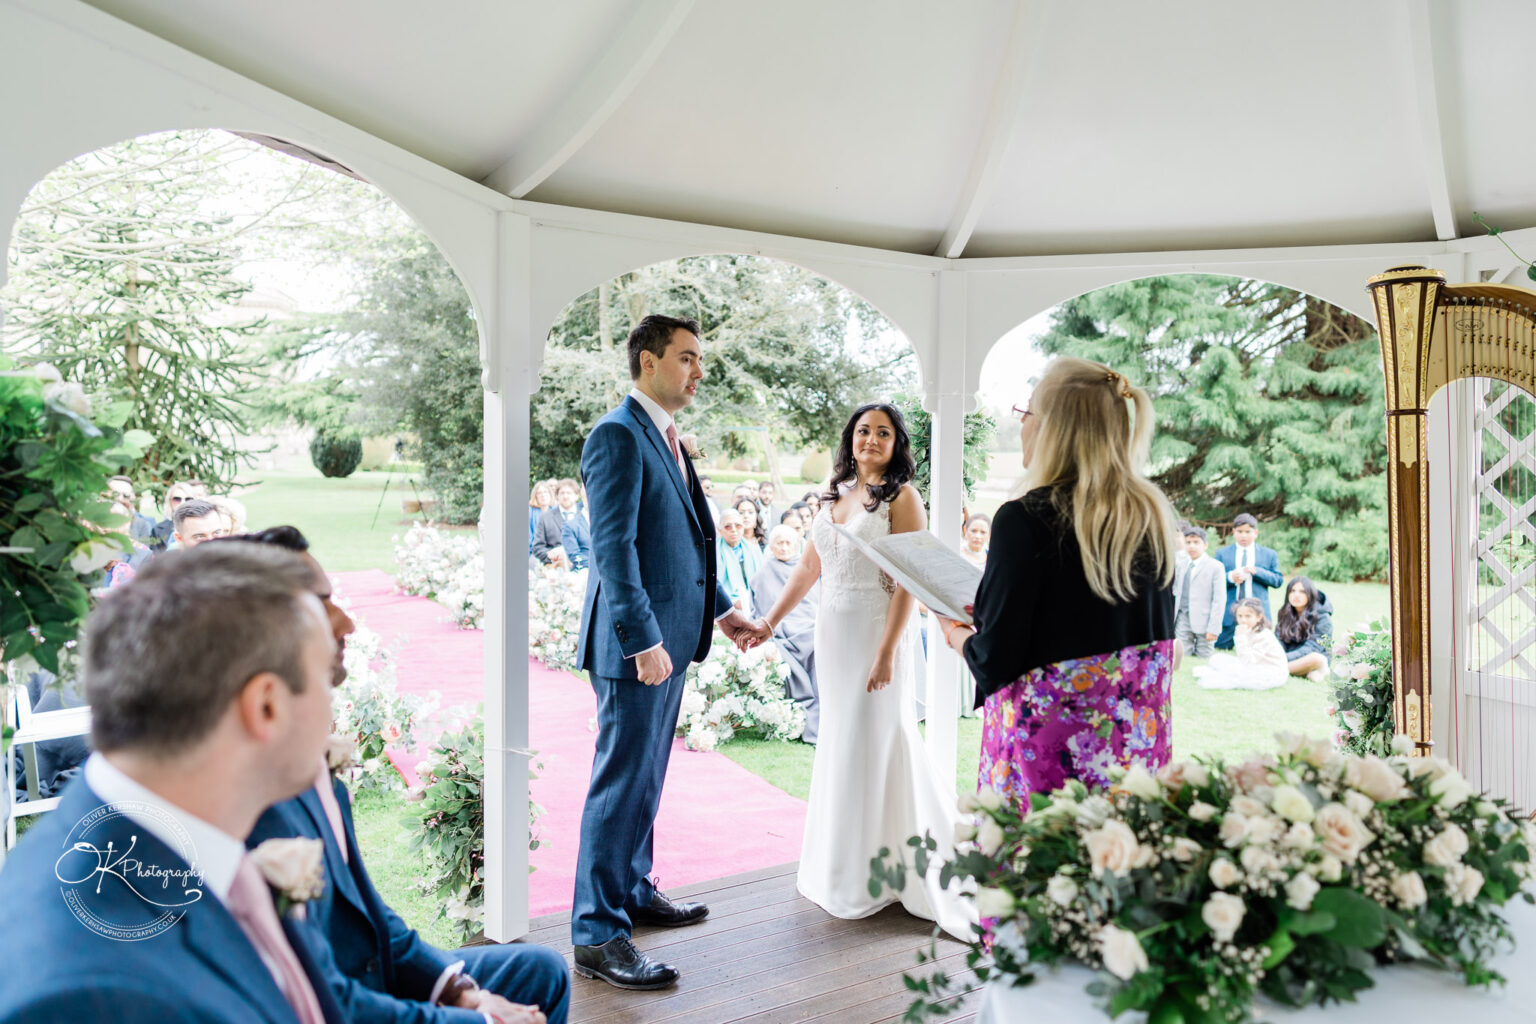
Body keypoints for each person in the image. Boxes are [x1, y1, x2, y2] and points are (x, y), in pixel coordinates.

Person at [0, 543, 347, 1022]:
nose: (332, 708)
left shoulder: (177, 836)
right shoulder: (91, 995)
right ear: (266, 706)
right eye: (325, 681)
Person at [244, 526, 568, 1024]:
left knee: (541, 970)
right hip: (343, 1003)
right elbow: (319, 996)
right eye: (319, 602)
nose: (347, 622)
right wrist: (477, 1019)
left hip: (377, 975)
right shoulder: (243, 798)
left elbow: (372, 918)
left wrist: (458, 990)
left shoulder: (314, 766)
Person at [570, 314, 759, 991]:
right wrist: (643, 640)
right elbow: (612, 550)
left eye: (699, 359)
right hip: (637, 648)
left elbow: (686, 546)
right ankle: (597, 933)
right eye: (687, 357)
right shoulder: (618, 436)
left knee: (647, 776)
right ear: (648, 361)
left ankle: (633, 890)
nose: (698, 370)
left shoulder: (668, 438)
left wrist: (726, 613)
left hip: (675, 640)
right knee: (621, 782)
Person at [749, 403, 970, 939]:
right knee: (841, 741)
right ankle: (838, 864)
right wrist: (769, 623)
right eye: (864, 431)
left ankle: (883, 871)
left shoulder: (904, 499)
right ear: (850, 438)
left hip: (876, 634)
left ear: (897, 444)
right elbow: (808, 566)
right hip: (834, 635)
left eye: (883, 433)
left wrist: (888, 651)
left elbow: (908, 580)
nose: (871, 439)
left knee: (879, 740)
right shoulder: (834, 491)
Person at [934, 358, 1178, 806]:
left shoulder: (1023, 520)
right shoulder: (1151, 517)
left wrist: (952, 631)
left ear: (1053, 429)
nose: (1022, 427)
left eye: (1026, 415)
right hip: (1136, 755)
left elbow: (994, 659)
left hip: (1054, 767)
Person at [750, 525, 821, 743]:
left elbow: (813, 603)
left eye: (788, 542)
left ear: (797, 544)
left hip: (808, 623)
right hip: (781, 629)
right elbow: (763, 608)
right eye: (779, 543)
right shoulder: (765, 572)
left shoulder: (806, 567)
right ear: (771, 546)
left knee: (817, 642)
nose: (783, 547)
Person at [1213, 513, 1283, 650]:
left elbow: (1278, 580)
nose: (1243, 536)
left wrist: (1258, 571)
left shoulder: (1269, 554)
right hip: (1231, 611)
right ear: (1233, 532)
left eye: (1248, 532)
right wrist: (1230, 577)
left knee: (1261, 648)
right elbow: (1213, 580)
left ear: (1256, 533)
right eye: (1239, 532)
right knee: (1220, 646)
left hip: (1257, 611)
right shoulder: (1222, 553)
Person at [1193, 598, 1288, 690]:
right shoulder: (1246, 630)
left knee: (1235, 676)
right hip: (1253, 667)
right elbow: (1242, 659)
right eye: (1240, 616)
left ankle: (1214, 677)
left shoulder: (1264, 635)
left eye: (1248, 616)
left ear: (1259, 617)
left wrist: (1240, 638)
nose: (1243, 620)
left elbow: (1247, 661)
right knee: (1217, 658)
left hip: (1271, 674)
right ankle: (1217, 674)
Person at [1173, 525, 1225, 659]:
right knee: (1182, 656)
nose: (1192, 546)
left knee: (1204, 657)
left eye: (1196, 542)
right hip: (1183, 617)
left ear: (1205, 545)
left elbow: (1219, 599)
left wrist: (1214, 628)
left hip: (1205, 620)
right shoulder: (1180, 564)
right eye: (1188, 543)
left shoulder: (1215, 567)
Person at [1276, 575, 1334, 682]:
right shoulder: (1284, 612)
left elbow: (1313, 647)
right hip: (1287, 658)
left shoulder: (1323, 617)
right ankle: (1301, 671)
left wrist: (1282, 658)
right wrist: (1277, 654)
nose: (1296, 595)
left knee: (1316, 658)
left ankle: (1275, 668)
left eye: (1302, 592)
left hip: (1310, 657)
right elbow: (1279, 639)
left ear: (1310, 594)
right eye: (1292, 591)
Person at [716, 509, 763, 610]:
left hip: (754, 602)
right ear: (719, 530)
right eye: (728, 526)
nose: (733, 529)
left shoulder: (754, 549)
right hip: (724, 606)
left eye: (738, 526)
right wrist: (732, 602)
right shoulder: (712, 552)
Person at [532, 480, 584, 569]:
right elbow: (537, 547)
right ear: (557, 496)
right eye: (562, 493)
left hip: (583, 567)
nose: (565, 496)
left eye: (569, 493)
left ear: (576, 496)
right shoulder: (545, 518)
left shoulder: (585, 516)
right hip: (555, 569)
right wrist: (554, 556)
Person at [559, 489, 592, 571]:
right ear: (583, 498)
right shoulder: (570, 526)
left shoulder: (605, 522)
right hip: (584, 571)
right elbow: (574, 555)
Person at [527, 482, 554, 554]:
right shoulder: (529, 511)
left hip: (554, 551)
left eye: (545, 492)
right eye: (539, 493)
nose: (543, 495)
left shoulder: (556, 510)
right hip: (535, 551)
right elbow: (528, 537)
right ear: (535, 496)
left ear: (550, 494)